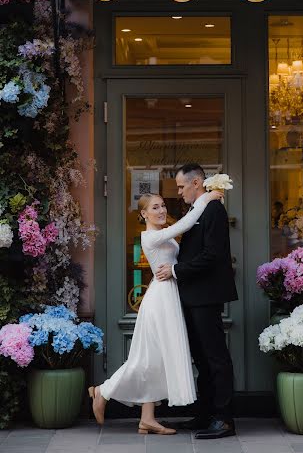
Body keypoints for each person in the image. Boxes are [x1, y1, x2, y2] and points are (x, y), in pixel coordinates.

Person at [88, 188, 223, 435]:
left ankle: (147, 418)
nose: (161, 211)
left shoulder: (160, 234)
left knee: (156, 357)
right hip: (160, 299)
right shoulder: (150, 236)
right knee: (147, 357)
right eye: (155, 207)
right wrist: (205, 197)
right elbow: (186, 223)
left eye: (163, 205)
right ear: (143, 214)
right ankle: (103, 391)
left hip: (170, 295)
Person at [156, 163, 238, 440]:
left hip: (206, 295)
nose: (178, 192)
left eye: (181, 186)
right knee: (201, 358)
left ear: (197, 183)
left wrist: (175, 271)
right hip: (193, 295)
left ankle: (224, 419)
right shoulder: (199, 208)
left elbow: (212, 255)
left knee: (215, 358)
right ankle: (205, 414)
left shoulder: (214, 209)